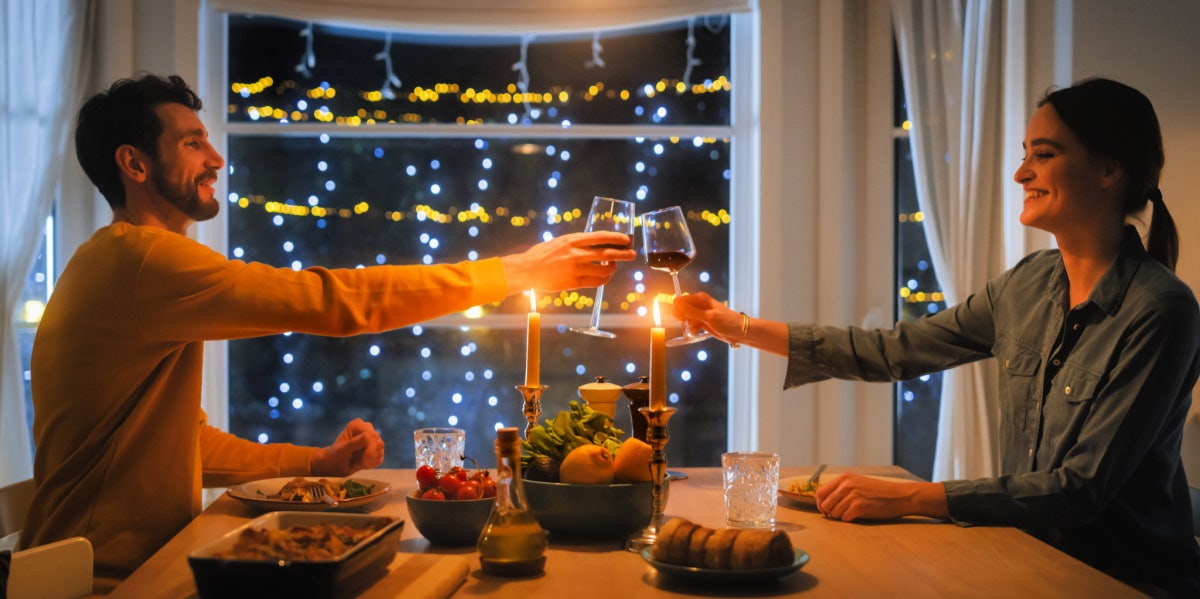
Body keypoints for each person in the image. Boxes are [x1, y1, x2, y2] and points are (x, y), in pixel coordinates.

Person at [23, 73, 636, 590]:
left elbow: (188, 444)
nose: (216, 159)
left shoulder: (130, 264)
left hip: (145, 563)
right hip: (102, 580)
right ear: (133, 163)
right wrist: (515, 270)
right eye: (191, 143)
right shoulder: (142, 261)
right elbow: (330, 301)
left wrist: (315, 462)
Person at [674, 78, 1200, 597]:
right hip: (1032, 559)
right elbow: (894, 351)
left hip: (1128, 581)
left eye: (1043, 155)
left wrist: (911, 496)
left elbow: (1080, 490)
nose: (1021, 173)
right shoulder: (1027, 284)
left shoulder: (1160, 310)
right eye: (1025, 155)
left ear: (1109, 169)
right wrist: (735, 325)